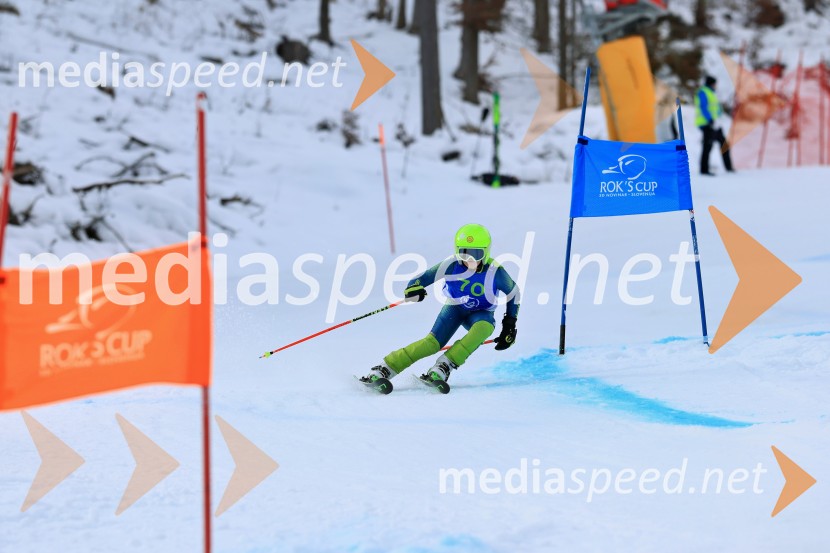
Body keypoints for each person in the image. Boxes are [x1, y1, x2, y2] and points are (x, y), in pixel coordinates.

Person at [361, 223, 520, 386]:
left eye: (476, 254)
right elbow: (420, 279)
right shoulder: (451, 265)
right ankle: (385, 368)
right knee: (431, 344)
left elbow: (513, 292)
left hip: (481, 313)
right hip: (455, 309)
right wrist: (414, 288)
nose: (469, 260)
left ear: (486, 252)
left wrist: (509, 324)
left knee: (485, 327)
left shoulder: (495, 271)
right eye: (464, 253)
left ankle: (444, 366)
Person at [695, 75, 735, 176]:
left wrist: (720, 117)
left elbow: (715, 108)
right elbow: (703, 107)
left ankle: (729, 168)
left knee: (724, 145)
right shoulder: (703, 92)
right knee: (707, 146)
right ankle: (704, 170)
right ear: (711, 83)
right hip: (707, 123)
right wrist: (710, 119)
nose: (716, 86)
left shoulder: (712, 93)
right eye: (715, 83)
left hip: (715, 124)